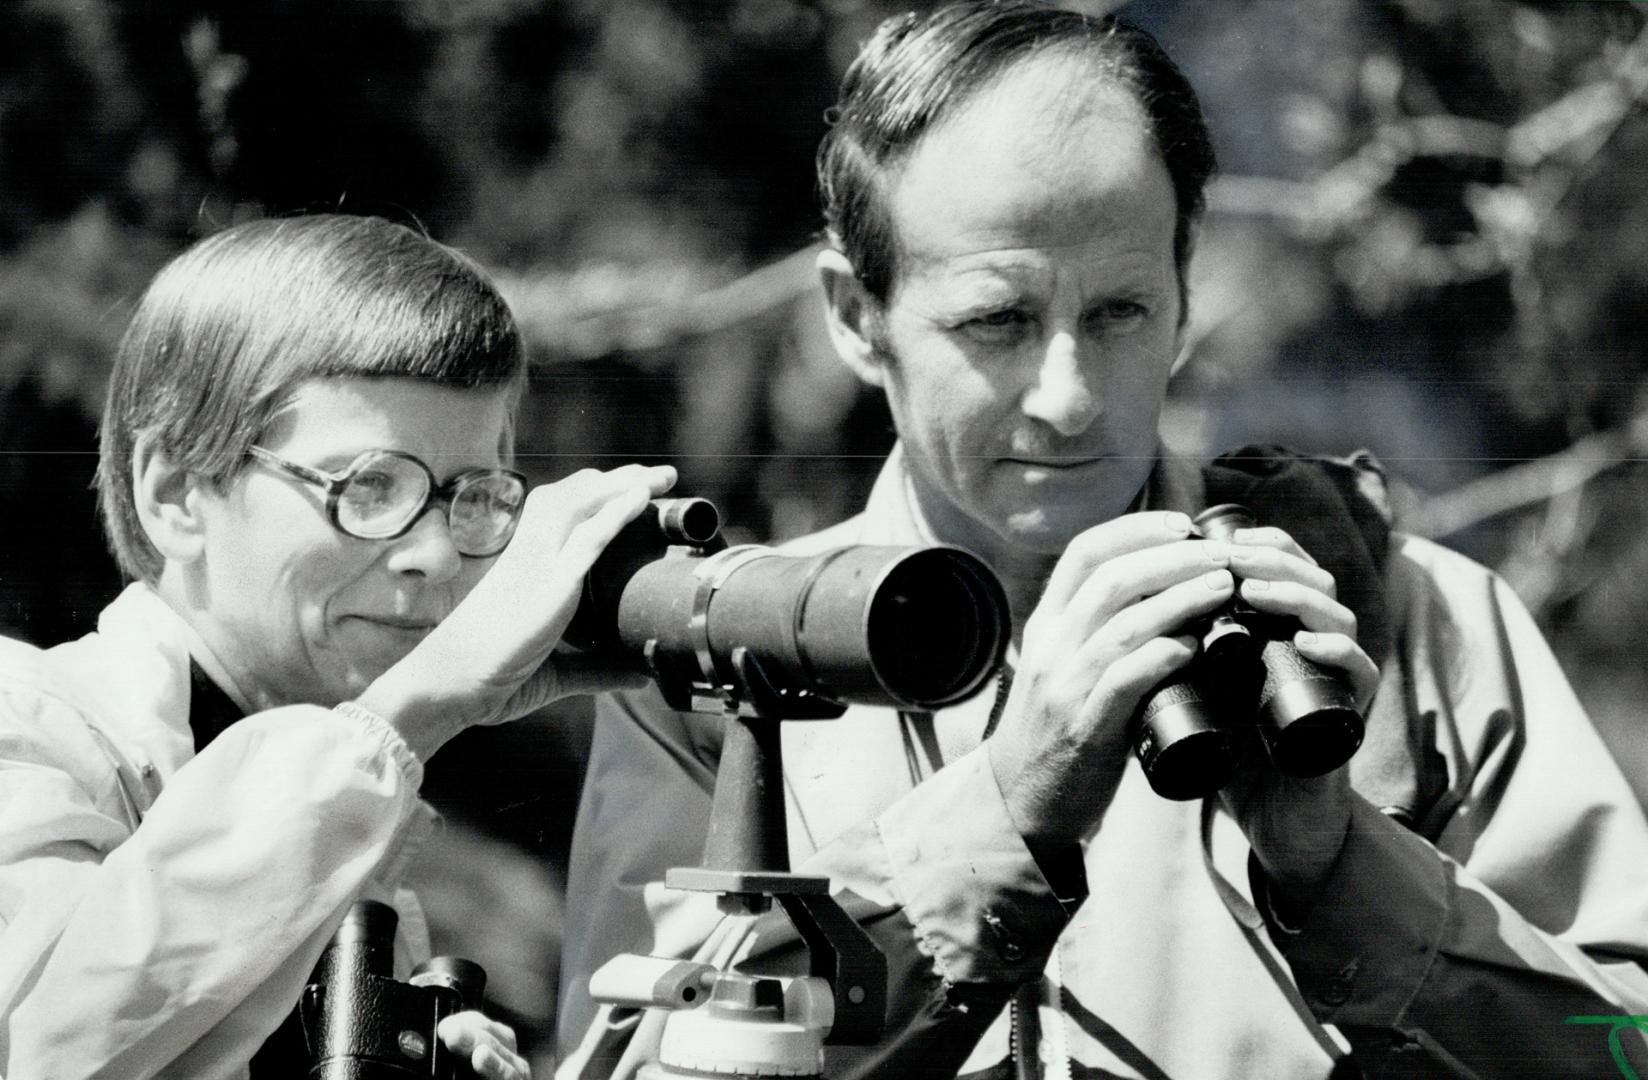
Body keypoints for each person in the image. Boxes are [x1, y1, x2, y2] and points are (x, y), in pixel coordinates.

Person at [556, 4, 1648, 1078]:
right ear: (855, 314)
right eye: (998, 321)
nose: (1069, 396)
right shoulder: (713, 670)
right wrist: (1003, 812)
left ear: (1185, 290)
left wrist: (1343, 870)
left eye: (1120, 312)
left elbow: (1622, 1048)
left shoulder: (1409, 623)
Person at [0, 213, 676, 1079]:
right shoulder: (28, 728)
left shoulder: (351, 794)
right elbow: (39, 1042)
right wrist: (412, 706)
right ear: (174, 492)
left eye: (471, 497)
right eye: (370, 487)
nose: (434, 555)